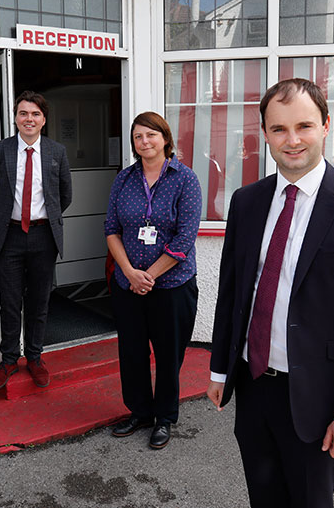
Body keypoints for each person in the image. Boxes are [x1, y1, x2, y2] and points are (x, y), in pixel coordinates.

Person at [207, 79, 334, 507]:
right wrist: (220, 369)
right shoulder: (247, 201)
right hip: (255, 386)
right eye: (278, 129)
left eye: (304, 126)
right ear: (264, 134)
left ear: (326, 126)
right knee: (264, 497)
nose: (292, 140)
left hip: (318, 396)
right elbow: (232, 292)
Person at [105, 112, 202, 450]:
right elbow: (111, 230)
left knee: (168, 354)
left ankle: (164, 417)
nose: (144, 142)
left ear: (165, 138)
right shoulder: (124, 179)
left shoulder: (185, 179)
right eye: (137, 137)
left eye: (150, 135)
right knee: (131, 352)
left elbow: (185, 237)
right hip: (128, 284)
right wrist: (131, 273)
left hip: (172, 286)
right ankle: (140, 412)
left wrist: (149, 276)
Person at [0, 91, 72, 390]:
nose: (28, 119)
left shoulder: (57, 152)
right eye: (23, 113)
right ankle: (9, 360)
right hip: (9, 236)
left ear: (43, 119)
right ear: (16, 118)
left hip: (44, 236)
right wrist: (10, 215)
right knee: (9, 302)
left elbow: (64, 196)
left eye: (34, 114)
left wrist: (40, 219)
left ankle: (34, 357)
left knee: (39, 301)